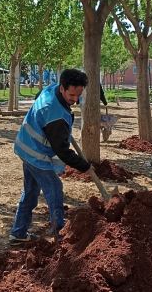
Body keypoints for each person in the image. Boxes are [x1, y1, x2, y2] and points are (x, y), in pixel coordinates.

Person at [10, 69, 94, 244]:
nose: (75, 100)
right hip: (36, 154)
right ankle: (59, 234)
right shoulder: (55, 116)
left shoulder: (51, 89)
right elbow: (62, 151)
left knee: (31, 192)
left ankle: (18, 234)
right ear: (62, 88)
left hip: (25, 146)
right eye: (72, 95)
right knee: (54, 189)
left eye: (78, 95)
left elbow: (39, 97)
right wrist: (84, 166)